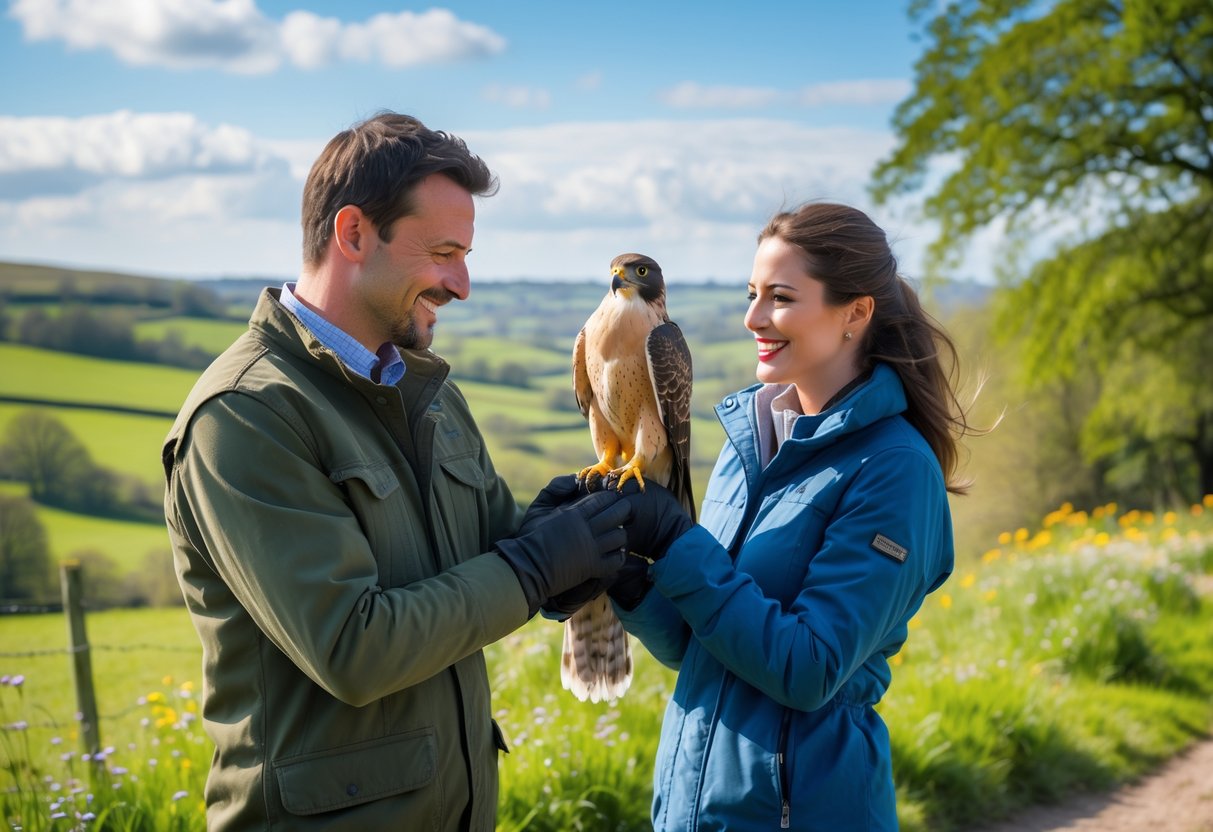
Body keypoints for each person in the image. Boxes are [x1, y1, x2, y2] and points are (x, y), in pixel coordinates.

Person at [161, 112, 631, 831]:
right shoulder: (245, 417)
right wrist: (535, 567)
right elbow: (354, 648)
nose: (462, 284)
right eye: (444, 252)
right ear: (353, 234)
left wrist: (570, 534)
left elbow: (494, 557)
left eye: (465, 255)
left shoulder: (432, 396)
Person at [608, 202, 972, 830]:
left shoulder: (894, 470)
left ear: (856, 313)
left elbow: (809, 668)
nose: (753, 318)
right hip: (693, 809)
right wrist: (622, 575)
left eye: (779, 298)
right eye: (752, 294)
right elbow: (703, 647)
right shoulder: (746, 444)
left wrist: (675, 542)